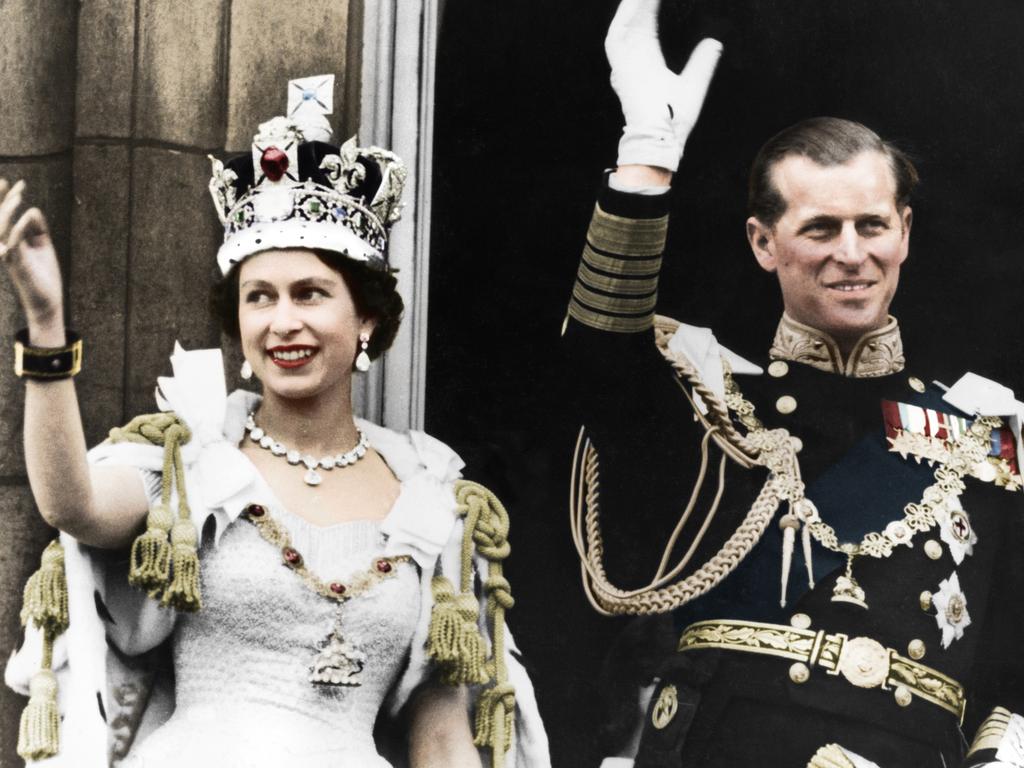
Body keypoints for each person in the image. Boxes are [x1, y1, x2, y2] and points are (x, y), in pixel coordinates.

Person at [2, 78, 550, 768]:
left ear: (367, 321)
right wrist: (46, 325)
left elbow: (440, 739)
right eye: (259, 298)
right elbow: (71, 504)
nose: (282, 321)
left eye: (311, 294)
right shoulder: (190, 460)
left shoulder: (431, 493)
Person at [562, 1, 1024, 766]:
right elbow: (594, 366)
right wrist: (645, 158)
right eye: (820, 228)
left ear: (904, 232)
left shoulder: (987, 436)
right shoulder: (708, 397)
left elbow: (1013, 671)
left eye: (872, 225)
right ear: (763, 242)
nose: (852, 253)